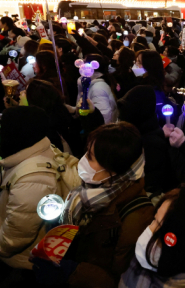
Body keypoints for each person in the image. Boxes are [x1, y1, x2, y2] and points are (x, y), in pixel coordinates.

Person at [55, 122, 153, 288]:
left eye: (91, 157)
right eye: (87, 152)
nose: (84, 160)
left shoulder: (136, 218)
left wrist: (74, 271)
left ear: (114, 169)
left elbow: (120, 280)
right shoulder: (92, 186)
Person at [0, 107, 59, 278]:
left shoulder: (33, 180)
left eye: (2, 128)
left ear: (16, 133)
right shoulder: (33, 151)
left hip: (26, 262)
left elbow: (17, 236)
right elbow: (13, 181)